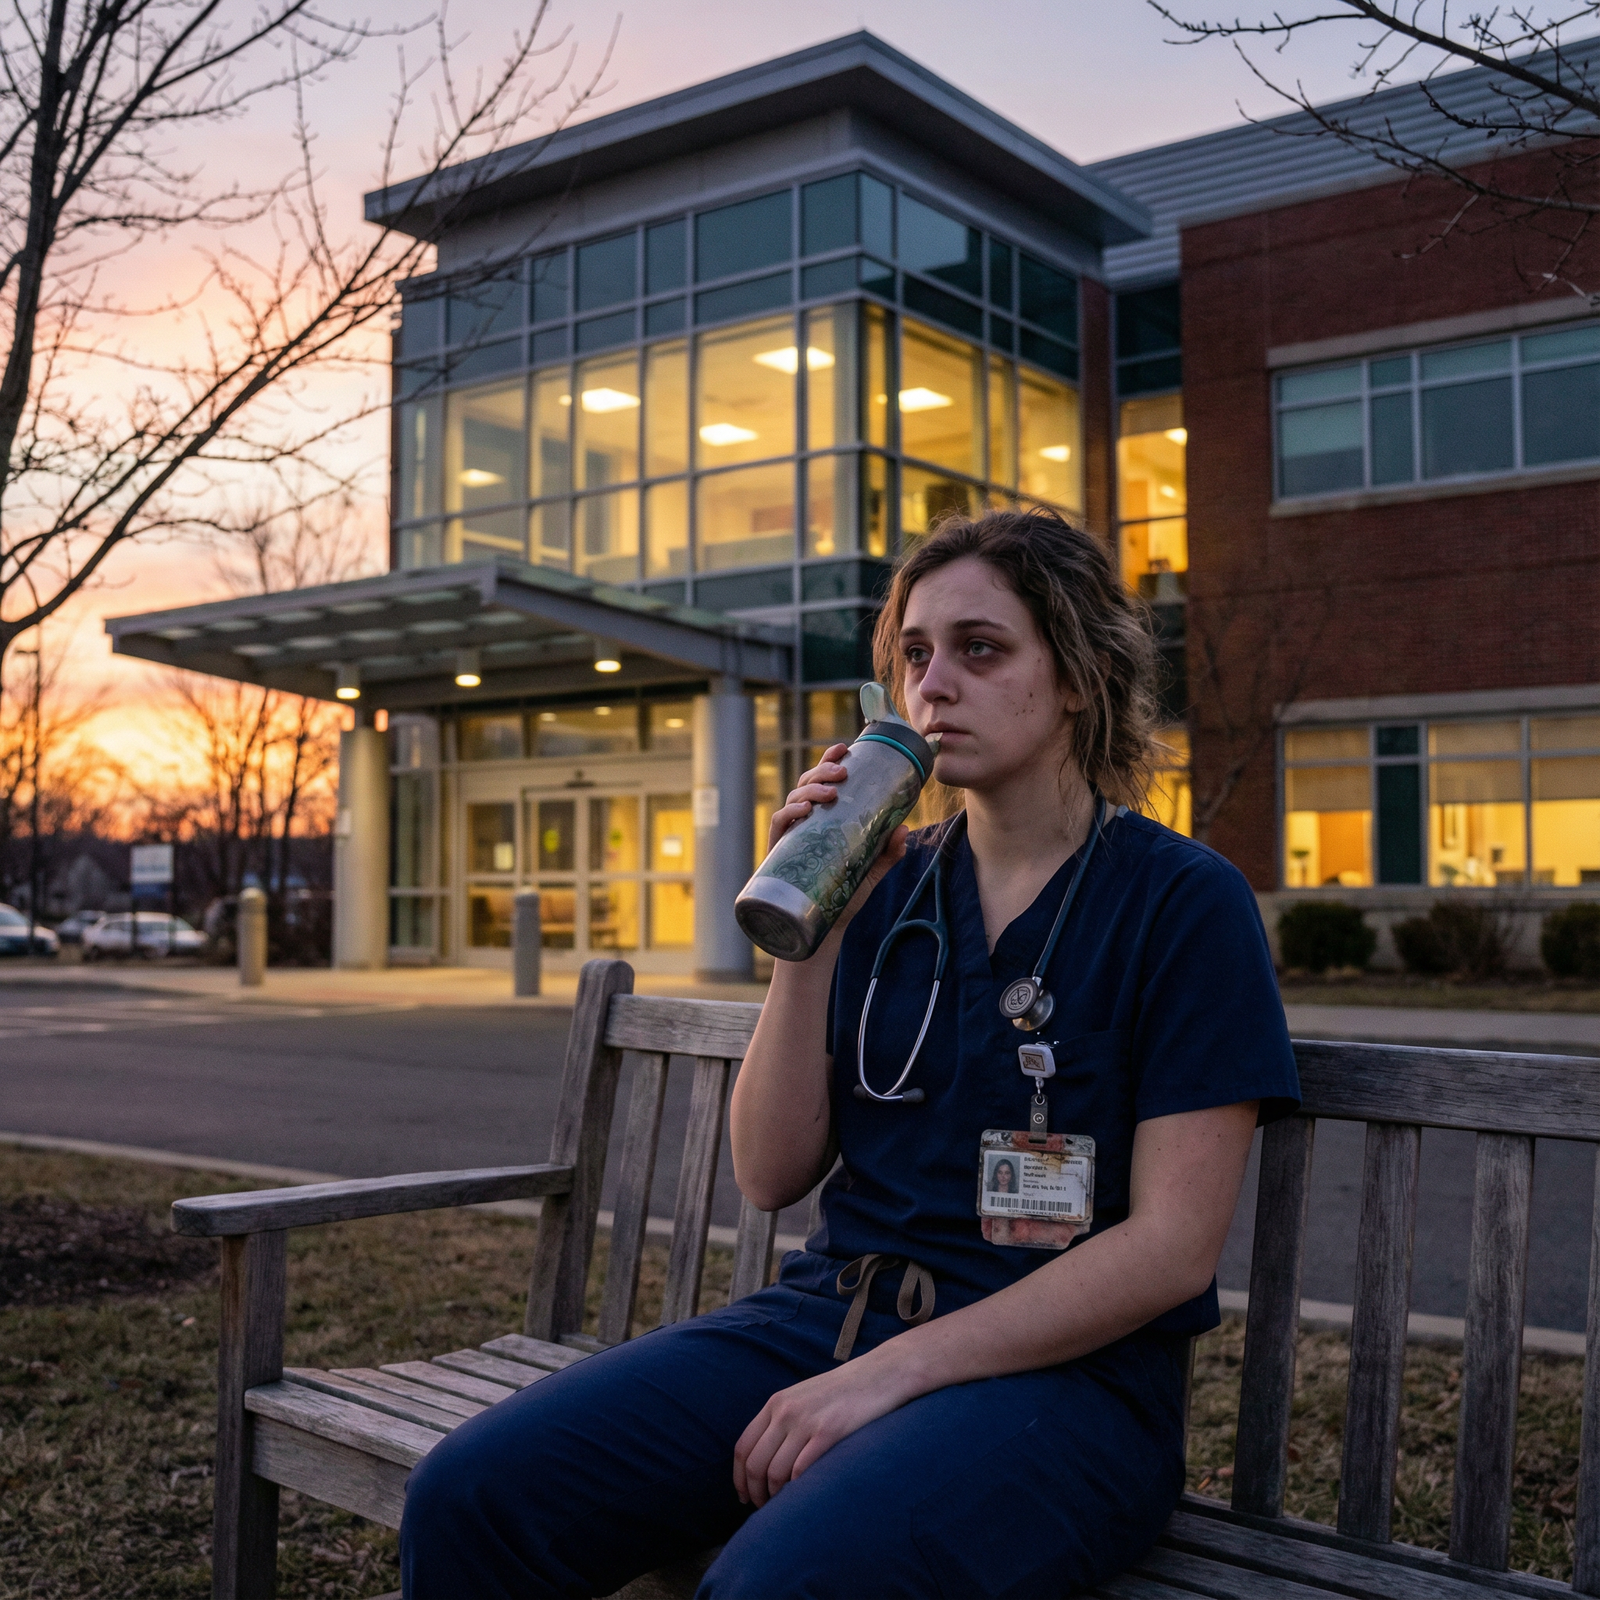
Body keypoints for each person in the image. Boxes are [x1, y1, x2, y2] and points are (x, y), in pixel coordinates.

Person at [400, 508, 1299, 1600]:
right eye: (915, 654)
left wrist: (887, 1376)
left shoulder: (1180, 902)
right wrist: (811, 936)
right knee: (470, 1494)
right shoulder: (886, 880)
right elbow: (770, 1172)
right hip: (832, 1314)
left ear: (1074, 677)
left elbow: (1170, 1251)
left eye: (981, 648)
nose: (934, 684)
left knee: (781, 1585)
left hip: (1063, 1382)